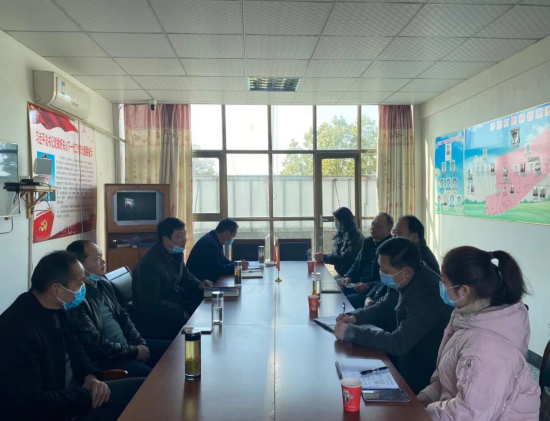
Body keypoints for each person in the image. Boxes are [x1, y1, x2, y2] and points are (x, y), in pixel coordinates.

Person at [0, 251, 143, 421]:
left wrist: (90, 376)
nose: (84, 286)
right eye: (80, 282)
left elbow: (76, 348)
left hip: (79, 391)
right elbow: (31, 403)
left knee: (143, 389)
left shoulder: (57, 307)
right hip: (56, 407)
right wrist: (86, 396)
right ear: (56, 288)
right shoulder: (17, 331)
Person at [418, 247, 540, 420]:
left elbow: (470, 415)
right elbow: (452, 370)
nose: (441, 287)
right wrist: (430, 395)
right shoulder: (467, 316)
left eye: (444, 282)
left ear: (465, 291)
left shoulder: (487, 348)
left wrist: (423, 413)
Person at [334, 238, 452, 394]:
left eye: (384, 270)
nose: (381, 274)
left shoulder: (426, 295)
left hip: (420, 373)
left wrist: (351, 333)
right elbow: (384, 306)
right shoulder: (402, 278)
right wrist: (354, 317)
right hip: (402, 360)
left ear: (406, 273)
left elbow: (399, 343)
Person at [66, 241, 171, 377]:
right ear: (79, 266)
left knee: (174, 349)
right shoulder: (76, 299)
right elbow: (96, 346)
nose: (103, 262)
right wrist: (134, 351)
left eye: (101, 256)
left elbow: (123, 316)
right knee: (157, 380)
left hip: (127, 346)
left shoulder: (103, 283)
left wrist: (139, 343)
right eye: (97, 259)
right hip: (109, 358)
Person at [131, 218, 213, 339]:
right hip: (155, 318)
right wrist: (180, 313)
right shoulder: (150, 264)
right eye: (179, 236)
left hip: (174, 303)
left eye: (184, 234)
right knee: (199, 328)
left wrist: (199, 284)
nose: (184, 239)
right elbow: (151, 303)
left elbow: (185, 274)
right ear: (166, 240)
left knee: (208, 311)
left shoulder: (174, 252)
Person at [365, 215, 441, 308]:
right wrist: (370, 296)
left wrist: (373, 302)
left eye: (397, 233)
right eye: (393, 233)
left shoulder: (422, 263)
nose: (393, 237)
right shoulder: (402, 254)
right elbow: (386, 284)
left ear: (414, 237)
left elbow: (393, 302)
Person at [340, 213, 393, 309]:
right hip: (357, 284)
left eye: (378, 226)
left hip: (373, 291)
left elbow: (388, 279)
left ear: (388, 230)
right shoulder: (367, 242)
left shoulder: (391, 246)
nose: (373, 228)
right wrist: (348, 276)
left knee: (344, 301)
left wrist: (367, 286)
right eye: (372, 224)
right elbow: (357, 263)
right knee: (336, 294)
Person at [313, 207, 364, 278]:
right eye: (334, 220)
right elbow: (336, 254)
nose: (335, 222)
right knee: (324, 280)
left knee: (329, 284)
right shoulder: (341, 233)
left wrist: (325, 258)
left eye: (337, 220)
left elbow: (346, 259)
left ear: (343, 221)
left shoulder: (355, 236)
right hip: (343, 273)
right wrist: (323, 257)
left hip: (352, 275)